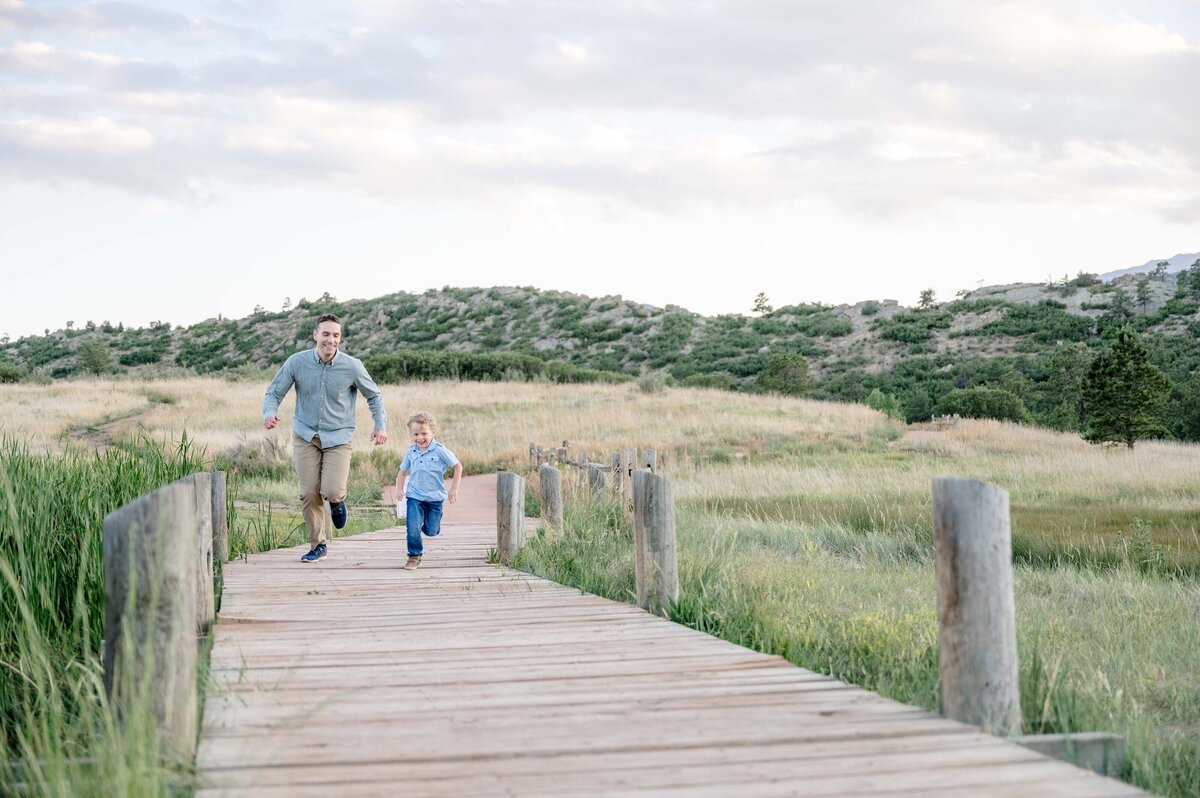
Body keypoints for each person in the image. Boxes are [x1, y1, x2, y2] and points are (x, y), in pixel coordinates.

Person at [263, 313, 388, 563]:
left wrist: (380, 425)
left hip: (339, 438)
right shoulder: (296, 362)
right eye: (326, 334)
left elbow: (374, 396)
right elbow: (274, 392)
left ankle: (338, 501)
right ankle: (318, 544)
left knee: (330, 490)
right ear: (315, 335)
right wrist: (269, 412)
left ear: (340, 338)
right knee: (309, 493)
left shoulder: (352, 366)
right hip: (305, 435)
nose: (331, 340)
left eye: (336, 335)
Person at [395, 411, 461, 571]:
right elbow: (402, 472)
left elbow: (458, 466)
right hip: (414, 496)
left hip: (434, 498)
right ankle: (414, 555)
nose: (420, 438)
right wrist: (399, 488)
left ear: (433, 432)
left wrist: (454, 488)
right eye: (415, 434)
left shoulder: (439, 450)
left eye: (424, 433)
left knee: (431, 530)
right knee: (412, 527)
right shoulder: (411, 451)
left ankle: (426, 525)